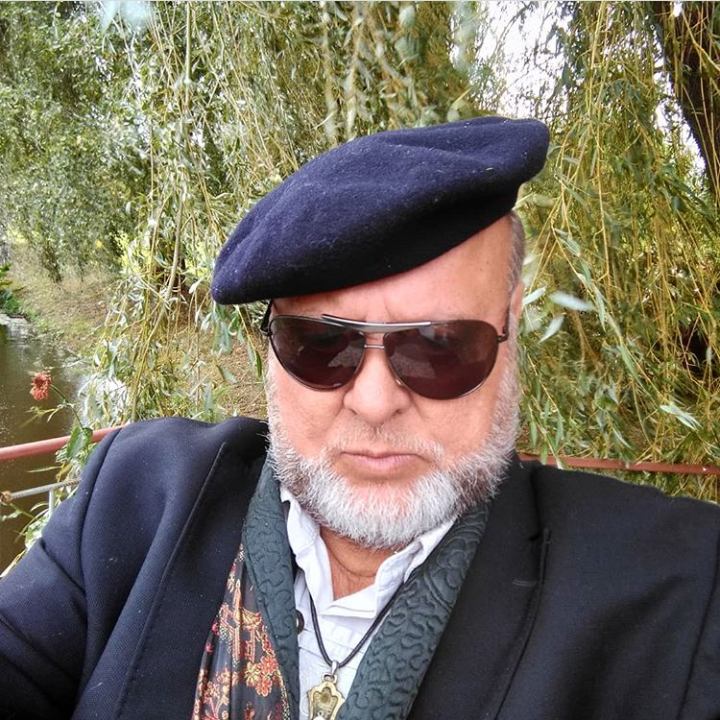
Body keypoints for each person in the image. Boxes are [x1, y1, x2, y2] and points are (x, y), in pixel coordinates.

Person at [0, 117, 718, 720]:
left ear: (510, 329)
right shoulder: (133, 498)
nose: (375, 401)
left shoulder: (677, 590)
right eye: (321, 343)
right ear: (270, 346)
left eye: (438, 346)